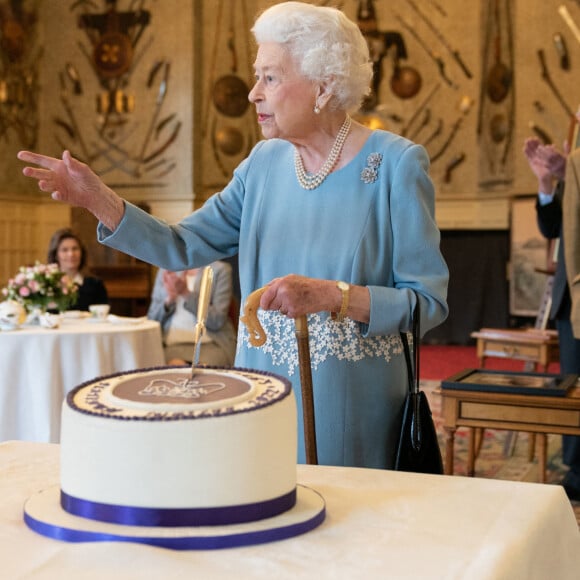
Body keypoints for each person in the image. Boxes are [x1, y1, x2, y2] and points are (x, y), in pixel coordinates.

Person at [17, 2, 448, 469]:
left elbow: (428, 302)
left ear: (323, 86)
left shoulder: (395, 164)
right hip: (261, 392)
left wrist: (334, 296)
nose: (252, 94)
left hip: (353, 407)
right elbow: (179, 246)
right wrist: (98, 199)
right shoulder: (261, 166)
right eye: (256, 75)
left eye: (270, 77)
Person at [523, 134, 580, 500]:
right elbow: (553, 228)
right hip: (570, 295)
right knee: (571, 385)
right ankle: (576, 472)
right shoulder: (570, 167)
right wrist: (548, 183)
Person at [147, 262, 237, 367]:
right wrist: (169, 300)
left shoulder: (220, 269)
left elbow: (217, 321)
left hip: (211, 344)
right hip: (172, 345)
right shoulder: (166, 269)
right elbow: (152, 319)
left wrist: (185, 293)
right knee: (171, 371)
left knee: (203, 376)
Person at [47, 228, 108, 311]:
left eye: (75, 248)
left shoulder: (95, 284)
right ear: (56, 255)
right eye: (65, 250)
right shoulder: (47, 284)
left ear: (81, 253)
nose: (71, 254)